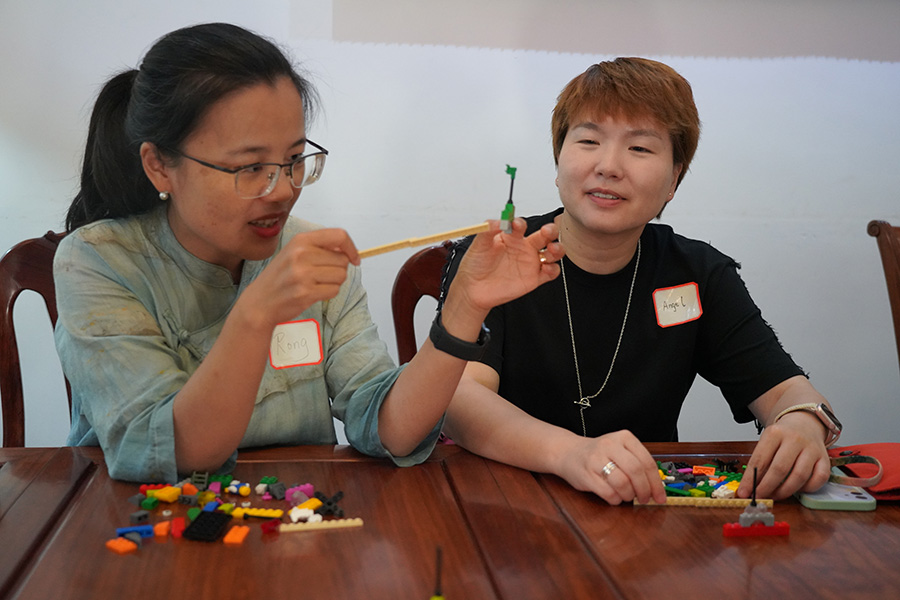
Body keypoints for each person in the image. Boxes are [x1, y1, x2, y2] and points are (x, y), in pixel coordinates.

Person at [54, 23, 563, 483]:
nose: (282, 189)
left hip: (297, 517)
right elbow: (175, 452)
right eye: (250, 167)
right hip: (141, 524)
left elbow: (390, 426)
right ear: (160, 165)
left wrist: (464, 308)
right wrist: (256, 314)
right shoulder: (98, 262)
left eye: (295, 159)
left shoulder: (309, 254)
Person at [441, 57, 838, 505]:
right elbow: (460, 399)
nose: (609, 166)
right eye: (588, 141)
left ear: (674, 179)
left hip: (643, 508)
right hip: (502, 501)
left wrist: (803, 422)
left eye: (640, 148)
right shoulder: (496, 256)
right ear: (558, 160)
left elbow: (785, 389)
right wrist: (570, 453)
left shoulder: (697, 273)